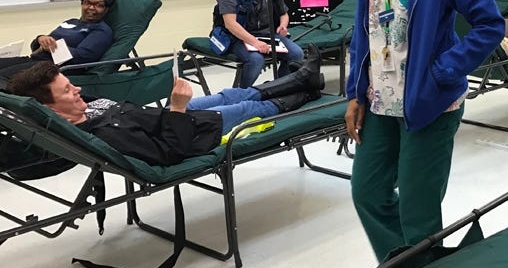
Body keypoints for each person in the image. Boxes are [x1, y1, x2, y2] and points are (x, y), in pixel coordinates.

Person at [345, 0, 504, 262]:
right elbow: (365, 26)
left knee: (418, 214)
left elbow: (489, 24)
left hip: (428, 102)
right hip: (380, 100)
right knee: (367, 193)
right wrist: (355, 92)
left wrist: (443, 71)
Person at [8, 56, 324, 167]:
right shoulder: (103, 135)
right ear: (48, 107)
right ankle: (308, 90)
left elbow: (27, 83)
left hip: (164, 118)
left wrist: (174, 108)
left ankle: (301, 79)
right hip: (193, 134)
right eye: (67, 91)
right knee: (247, 107)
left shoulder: (83, 107)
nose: (76, 90)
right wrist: (176, 108)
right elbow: (171, 153)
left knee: (230, 93)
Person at [212, 0, 304, 88]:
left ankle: (277, 87)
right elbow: (230, 24)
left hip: (267, 35)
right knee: (256, 60)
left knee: (296, 54)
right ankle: (241, 93)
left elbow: (283, 13)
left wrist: (283, 26)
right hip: (237, 38)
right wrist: (255, 43)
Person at [0, 0, 115, 82]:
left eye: (98, 5)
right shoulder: (70, 22)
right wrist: (40, 38)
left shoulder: (101, 31)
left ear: (106, 9)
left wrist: (51, 47)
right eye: (87, 3)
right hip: (35, 60)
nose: (91, 8)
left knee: (3, 77)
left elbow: (82, 56)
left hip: (51, 69)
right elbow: (36, 47)